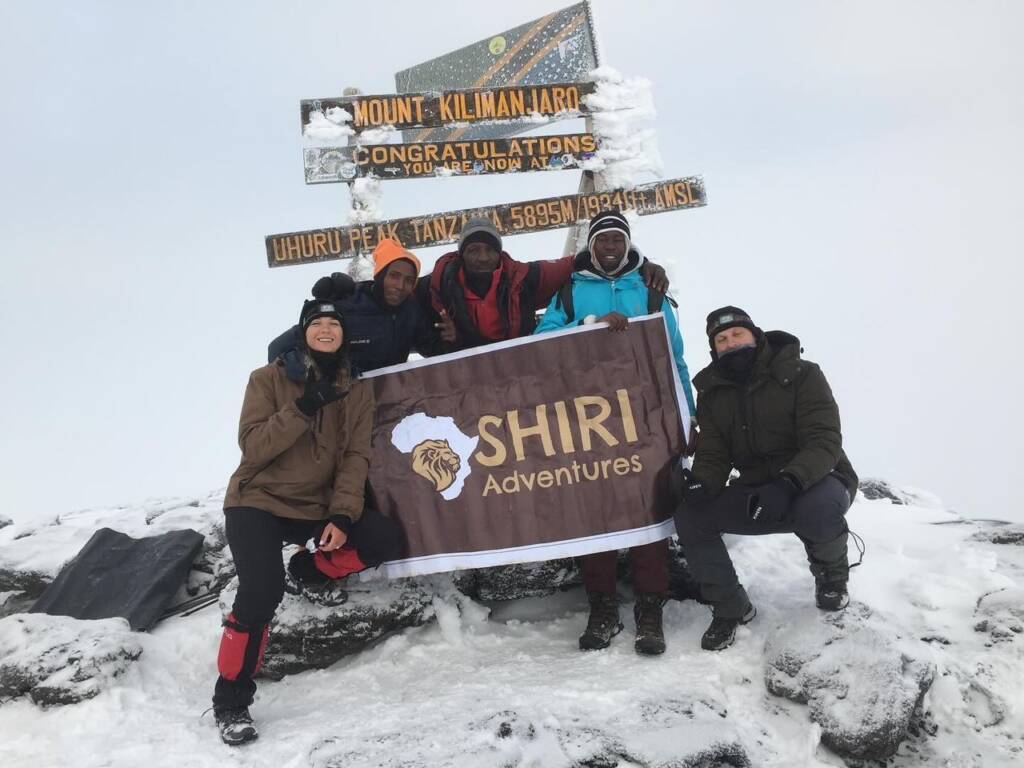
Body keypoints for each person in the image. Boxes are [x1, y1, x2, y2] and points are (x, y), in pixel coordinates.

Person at [212, 298, 404, 746]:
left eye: (333, 323)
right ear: (303, 332)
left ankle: (308, 570)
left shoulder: (355, 389)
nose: (325, 329)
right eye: (316, 322)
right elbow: (253, 447)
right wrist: (303, 407)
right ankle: (231, 700)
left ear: (342, 335)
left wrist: (342, 512)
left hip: (316, 507)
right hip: (256, 500)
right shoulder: (267, 379)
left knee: (383, 538)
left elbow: (356, 456)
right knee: (261, 591)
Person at [533, 210, 697, 656]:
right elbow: (541, 339)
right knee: (595, 514)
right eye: (602, 239)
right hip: (585, 421)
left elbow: (674, 357)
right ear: (591, 244)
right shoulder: (570, 290)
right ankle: (602, 609)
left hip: (643, 418)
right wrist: (588, 327)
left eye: (616, 240)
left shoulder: (650, 292)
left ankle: (650, 611)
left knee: (648, 513)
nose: (609, 246)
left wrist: (688, 415)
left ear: (626, 244)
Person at [673, 306, 858, 651]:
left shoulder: (803, 374)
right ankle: (730, 607)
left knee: (814, 509)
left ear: (755, 335)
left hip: (818, 480)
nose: (730, 343)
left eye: (737, 334)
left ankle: (832, 576)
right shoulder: (713, 391)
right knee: (691, 515)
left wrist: (788, 483)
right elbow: (714, 452)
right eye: (721, 340)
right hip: (757, 491)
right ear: (714, 349)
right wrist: (703, 482)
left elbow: (824, 440)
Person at [429, 217, 669, 351]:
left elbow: (585, 260)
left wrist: (641, 265)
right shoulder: (440, 284)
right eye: (473, 250)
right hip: (468, 378)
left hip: (517, 374)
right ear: (461, 254)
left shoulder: (524, 278)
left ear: (499, 253)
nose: (482, 257)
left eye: (489, 250)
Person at [267, 238, 454, 376]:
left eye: (409, 280)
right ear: (379, 275)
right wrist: (310, 369)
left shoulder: (411, 313)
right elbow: (277, 349)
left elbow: (434, 352)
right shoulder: (347, 305)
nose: (400, 285)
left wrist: (449, 339)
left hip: (387, 407)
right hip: (341, 405)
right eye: (394, 276)